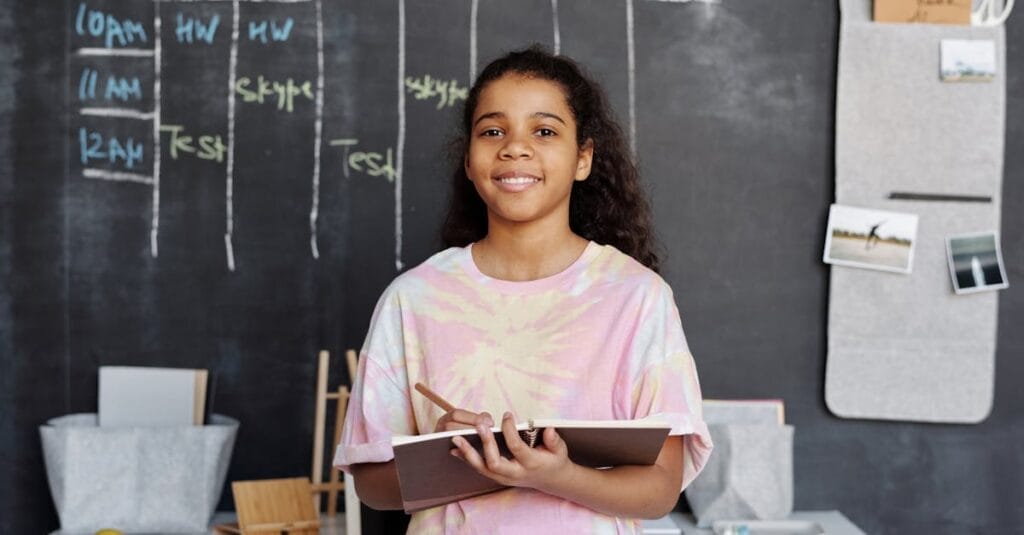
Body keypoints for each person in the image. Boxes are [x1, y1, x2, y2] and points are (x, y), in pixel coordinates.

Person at [335, 45, 712, 534]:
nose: (515, 147)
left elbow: (661, 487)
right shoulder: (414, 299)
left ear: (583, 158)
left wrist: (560, 477)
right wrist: (456, 461)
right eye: (492, 131)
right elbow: (371, 485)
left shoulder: (637, 298)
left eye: (545, 131)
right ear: (469, 161)